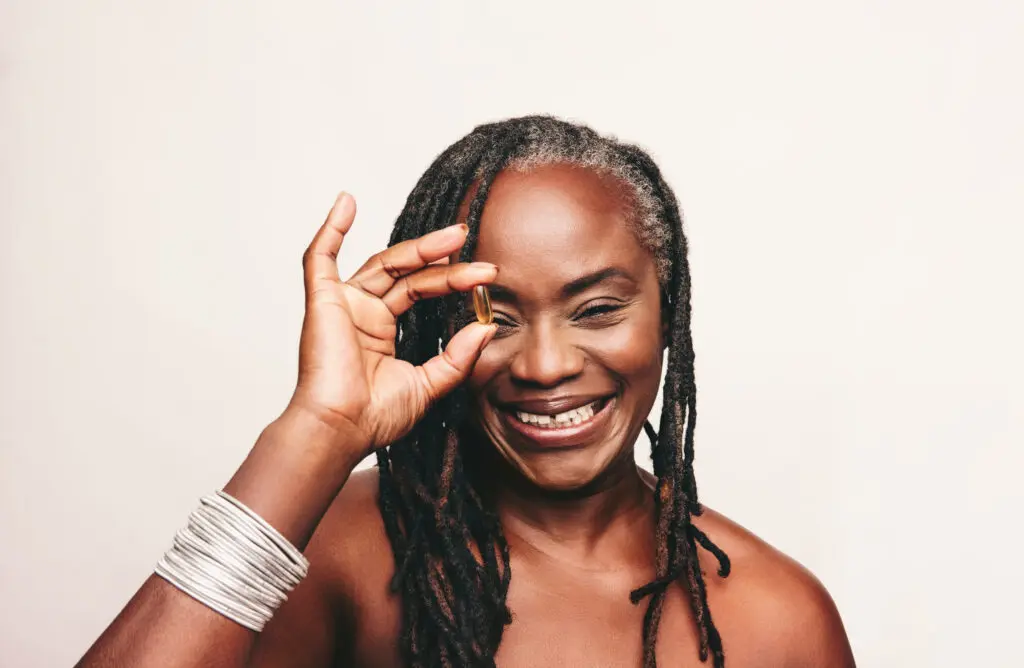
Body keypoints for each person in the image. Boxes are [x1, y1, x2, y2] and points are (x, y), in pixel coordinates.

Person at [77, 116, 855, 668]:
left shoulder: (777, 619)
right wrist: (315, 431)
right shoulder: (345, 556)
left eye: (596, 309)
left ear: (667, 315)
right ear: (438, 322)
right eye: (493, 314)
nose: (546, 364)